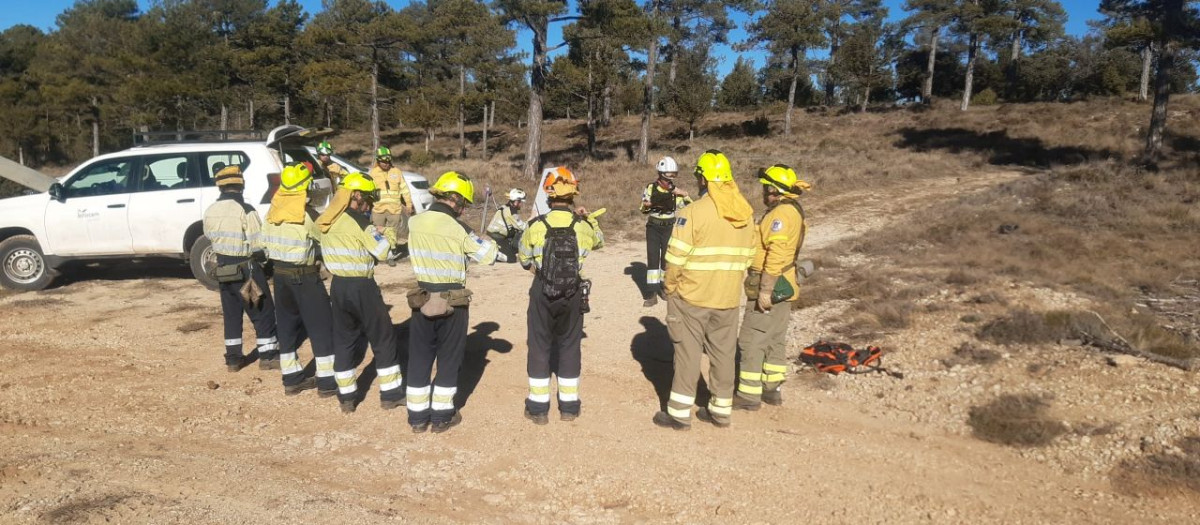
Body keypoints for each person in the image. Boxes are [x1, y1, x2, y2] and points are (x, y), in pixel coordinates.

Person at [653, 150, 757, 430]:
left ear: (703, 178)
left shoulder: (692, 213)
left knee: (687, 353)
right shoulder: (745, 213)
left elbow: (674, 261)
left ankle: (678, 414)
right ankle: (720, 411)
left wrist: (671, 288)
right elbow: (749, 259)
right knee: (723, 354)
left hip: (693, 297)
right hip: (727, 299)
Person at [405, 171, 501, 434]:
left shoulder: (415, 222)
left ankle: (416, 417)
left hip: (422, 298)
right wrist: (486, 238)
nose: (463, 209)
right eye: (463, 204)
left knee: (420, 357)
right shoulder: (458, 228)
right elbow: (488, 255)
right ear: (456, 199)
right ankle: (442, 415)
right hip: (453, 302)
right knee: (448, 358)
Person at [517, 167, 604, 425]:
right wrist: (589, 219)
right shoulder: (582, 226)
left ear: (549, 195)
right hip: (573, 292)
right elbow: (599, 241)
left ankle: (538, 408)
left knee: (539, 345)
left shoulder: (535, 225)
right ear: (573, 196)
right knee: (569, 345)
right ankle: (569, 407)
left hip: (542, 290)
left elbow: (523, 257)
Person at [316, 173, 405, 414]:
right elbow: (384, 252)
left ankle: (346, 396)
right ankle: (391, 394)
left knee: (344, 340)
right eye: (366, 198)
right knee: (383, 336)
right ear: (356, 196)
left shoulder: (328, 219)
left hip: (338, 286)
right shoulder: (360, 222)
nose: (369, 203)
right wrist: (386, 233)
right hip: (361, 286)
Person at [734, 165, 810, 411]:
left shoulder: (780, 215)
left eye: (766, 187)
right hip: (786, 284)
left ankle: (748, 395)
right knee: (775, 339)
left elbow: (776, 253)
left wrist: (765, 290)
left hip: (772, 284)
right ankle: (772, 390)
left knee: (751, 340)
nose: (763, 192)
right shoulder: (791, 211)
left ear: (773, 190)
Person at [260, 163, 335, 397]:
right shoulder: (305, 216)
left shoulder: (271, 214)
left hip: (280, 278)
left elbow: (262, 245)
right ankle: (327, 381)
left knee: (287, 326)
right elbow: (325, 239)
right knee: (320, 326)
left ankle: (291, 378)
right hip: (305, 277)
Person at [203, 165, 279, 371]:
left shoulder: (210, 210)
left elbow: (209, 236)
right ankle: (268, 355)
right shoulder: (246, 210)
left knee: (232, 314)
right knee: (261, 311)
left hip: (223, 270)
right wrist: (267, 264)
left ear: (220, 187)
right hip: (247, 272)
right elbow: (258, 246)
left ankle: (234, 359)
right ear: (241, 185)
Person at [640, 156, 691, 307]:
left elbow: (689, 207)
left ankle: (664, 289)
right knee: (653, 259)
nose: (670, 179)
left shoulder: (676, 192)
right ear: (661, 174)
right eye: (668, 176)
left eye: (673, 176)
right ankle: (651, 294)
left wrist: (685, 194)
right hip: (653, 228)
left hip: (669, 227)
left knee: (666, 260)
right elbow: (642, 208)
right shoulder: (650, 188)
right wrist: (648, 205)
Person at [367, 147, 414, 262]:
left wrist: (408, 205)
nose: (386, 164)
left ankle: (391, 254)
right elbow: (368, 191)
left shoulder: (396, 172)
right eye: (383, 161)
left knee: (392, 233)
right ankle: (377, 254)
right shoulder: (372, 173)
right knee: (377, 233)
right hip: (378, 209)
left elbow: (404, 189)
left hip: (394, 209)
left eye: (388, 161)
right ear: (378, 161)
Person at [486, 188, 528, 263]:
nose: (521, 204)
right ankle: (494, 254)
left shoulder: (505, 207)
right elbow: (522, 226)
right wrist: (532, 221)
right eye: (520, 202)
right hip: (498, 237)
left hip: (497, 235)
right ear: (516, 201)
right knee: (511, 259)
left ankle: (500, 249)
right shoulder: (511, 211)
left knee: (516, 240)